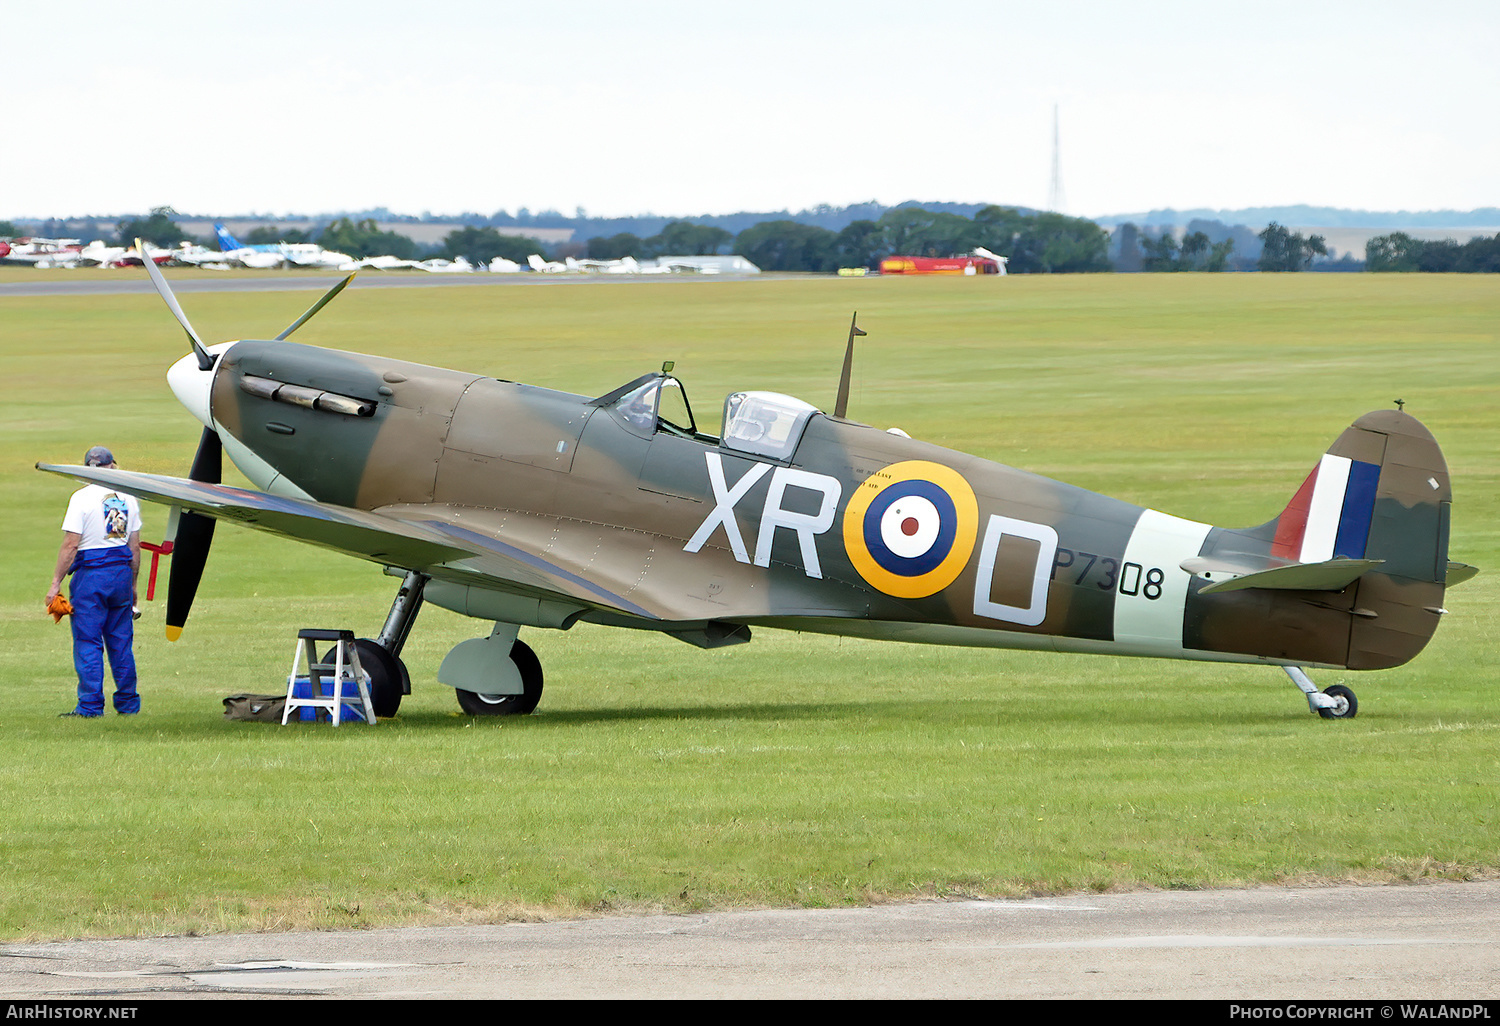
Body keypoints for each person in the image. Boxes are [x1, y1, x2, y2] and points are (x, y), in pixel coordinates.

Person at [46, 446, 142, 718]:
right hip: (120, 573)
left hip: (91, 576)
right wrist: (133, 586)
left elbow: (70, 545)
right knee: (121, 643)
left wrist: (55, 584)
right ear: (114, 465)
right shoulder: (128, 498)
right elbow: (134, 548)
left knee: (88, 642)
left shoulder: (81, 498)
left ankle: (89, 706)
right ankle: (128, 705)